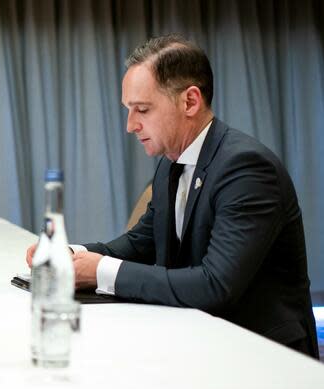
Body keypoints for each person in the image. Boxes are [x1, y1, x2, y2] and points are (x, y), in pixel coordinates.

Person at [26, 34, 319, 359]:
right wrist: (67, 253)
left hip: (265, 356)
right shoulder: (170, 165)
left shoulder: (246, 168)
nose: (130, 125)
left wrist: (100, 271)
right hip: (202, 342)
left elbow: (215, 285)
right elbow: (140, 243)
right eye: (128, 110)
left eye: (142, 109)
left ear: (190, 101)